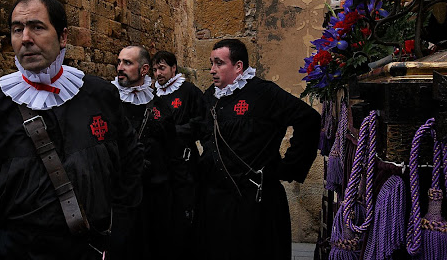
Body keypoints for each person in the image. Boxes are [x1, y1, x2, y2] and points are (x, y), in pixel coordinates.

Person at [0, 0, 143, 259]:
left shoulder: (98, 94)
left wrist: (119, 228)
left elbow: (131, 160)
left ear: (63, 37)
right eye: (17, 29)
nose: (25, 38)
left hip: (88, 249)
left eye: (37, 27)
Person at [196, 39, 320, 260]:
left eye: (219, 63)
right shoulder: (210, 97)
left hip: (254, 200)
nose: (212, 70)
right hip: (216, 201)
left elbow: (308, 119)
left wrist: (289, 166)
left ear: (238, 67)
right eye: (211, 64)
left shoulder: (264, 93)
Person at [112, 46, 179, 260]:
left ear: (144, 70)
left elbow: (172, 153)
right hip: (119, 198)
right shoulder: (107, 101)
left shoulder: (160, 107)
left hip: (154, 199)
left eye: (127, 63)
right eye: (119, 62)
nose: (120, 68)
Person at [151, 50, 204, 260]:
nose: (158, 73)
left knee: (185, 212)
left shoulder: (189, 91)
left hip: (185, 163)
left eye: (162, 68)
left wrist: (176, 131)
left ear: (174, 68)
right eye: (155, 69)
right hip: (160, 166)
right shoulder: (152, 95)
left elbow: (202, 122)